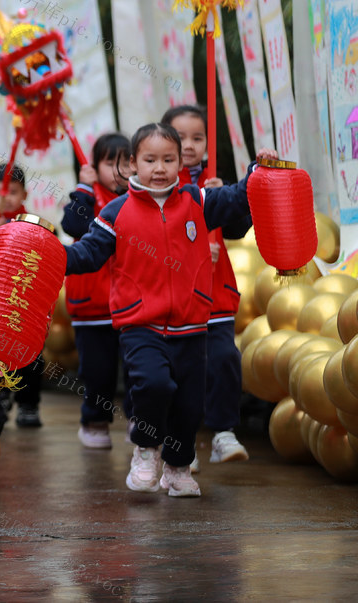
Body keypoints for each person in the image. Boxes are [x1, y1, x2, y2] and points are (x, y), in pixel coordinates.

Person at [64, 123, 262, 498]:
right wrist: (50, 256)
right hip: (141, 325)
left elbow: (238, 198)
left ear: (181, 162)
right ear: (132, 164)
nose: (159, 168)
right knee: (153, 385)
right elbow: (87, 253)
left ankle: (177, 467)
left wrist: (257, 171)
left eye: (168, 159)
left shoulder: (197, 201)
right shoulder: (115, 211)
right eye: (150, 159)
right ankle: (146, 449)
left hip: (191, 326)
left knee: (190, 405)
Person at [162, 104, 252, 468]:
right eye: (180, 137)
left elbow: (239, 228)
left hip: (214, 293)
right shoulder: (162, 183)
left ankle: (223, 432)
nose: (188, 145)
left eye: (197, 137)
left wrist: (224, 200)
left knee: (225, 358)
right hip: (175, 297)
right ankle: (178, 444)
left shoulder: (213, 182)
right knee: (179, 370)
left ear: (208, 145)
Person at [61, 134, 131, 448]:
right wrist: (85, 189)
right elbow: (74, 227)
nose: (118, 170)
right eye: (108, 162)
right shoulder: (86, 196)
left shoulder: (137, 198)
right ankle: (94, 420)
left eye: (126, 162)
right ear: (93, 166)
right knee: (98, 372)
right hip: (92, 306)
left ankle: (139, 422)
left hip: (130, 304)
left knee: (136, 370)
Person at [0, 166, 45, 428]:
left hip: (26, 305)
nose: (5, 198)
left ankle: (29, 404)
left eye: (12, 192)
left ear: (24, 194)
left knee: (31, 356)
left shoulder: (32, 225)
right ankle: (0, 397)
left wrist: (9, 230)